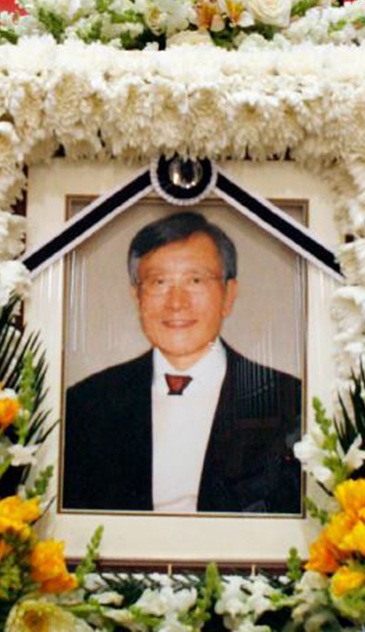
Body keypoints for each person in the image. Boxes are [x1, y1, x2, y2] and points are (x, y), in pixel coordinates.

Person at [63, 211, 302, 515]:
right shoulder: (86, 403)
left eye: (195, 280)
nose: (176, 303)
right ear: (137, 296)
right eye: (159, 282)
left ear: (229, 295)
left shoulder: (288, 400)